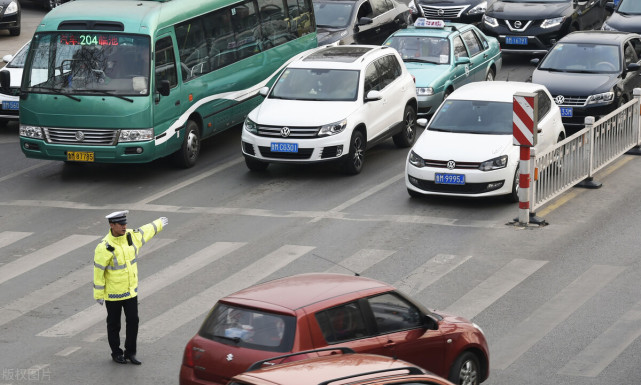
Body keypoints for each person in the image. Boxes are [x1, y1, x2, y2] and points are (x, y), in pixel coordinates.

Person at [93, 210, 168, 365]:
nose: (124, 226)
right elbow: (98, 272)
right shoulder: (104, 247)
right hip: (113, 294)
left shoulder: (131, 236)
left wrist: (159, 223)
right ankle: (116, 353)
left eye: (125, 223)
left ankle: (130, 352)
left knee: (133, 321)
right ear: (112, 225)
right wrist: (99, 295)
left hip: (131, 291)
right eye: (121, 224)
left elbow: (145, 231)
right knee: (114, 325)